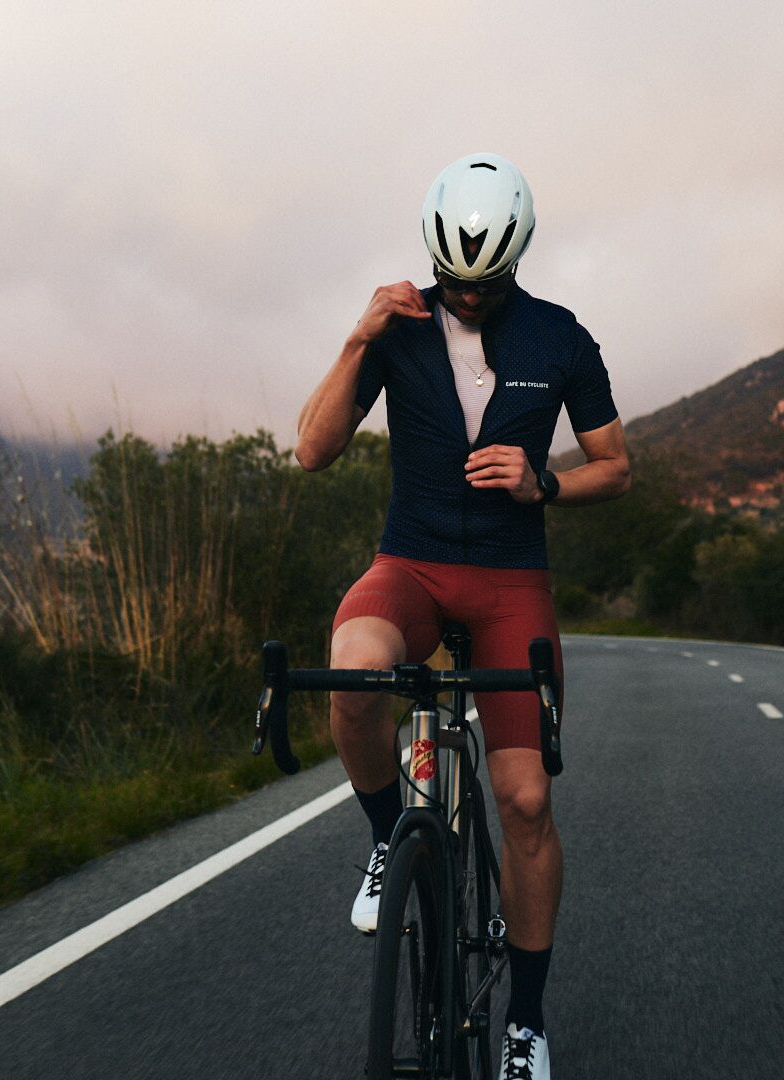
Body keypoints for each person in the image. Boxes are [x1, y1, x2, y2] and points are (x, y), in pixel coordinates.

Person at [295, 152, 631, 1079]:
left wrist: (545, 481)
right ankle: (380, 843)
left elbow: (617, 467)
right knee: (355, 665)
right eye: (452, 280)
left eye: (483, 282)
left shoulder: (562, 338)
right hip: (410, 562)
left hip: (509, 580)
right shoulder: (397, 329)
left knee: (525, 801)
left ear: (515, 257)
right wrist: (358, 336)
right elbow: (312, 451)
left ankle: (525, 1023)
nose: (465, 295)